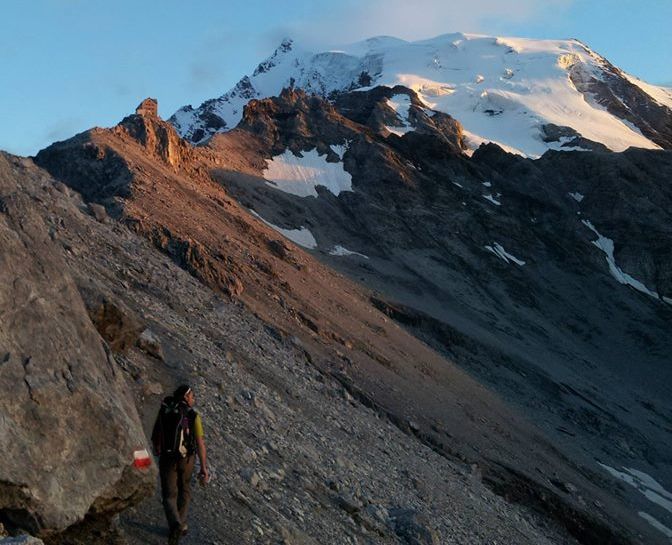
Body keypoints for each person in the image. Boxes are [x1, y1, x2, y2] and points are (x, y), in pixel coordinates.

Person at [151, 385, 209, 545]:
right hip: (187, 459)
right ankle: (180, 524)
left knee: (169, 495)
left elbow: (156, 432)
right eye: (192, 396)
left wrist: (157, 448)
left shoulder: (165, 409)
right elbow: (200, 443)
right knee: (184, 489)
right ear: (186, 397)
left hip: (167, 458)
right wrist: (203, 467)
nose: (194, 399)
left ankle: (175, 524)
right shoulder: (192, 416)